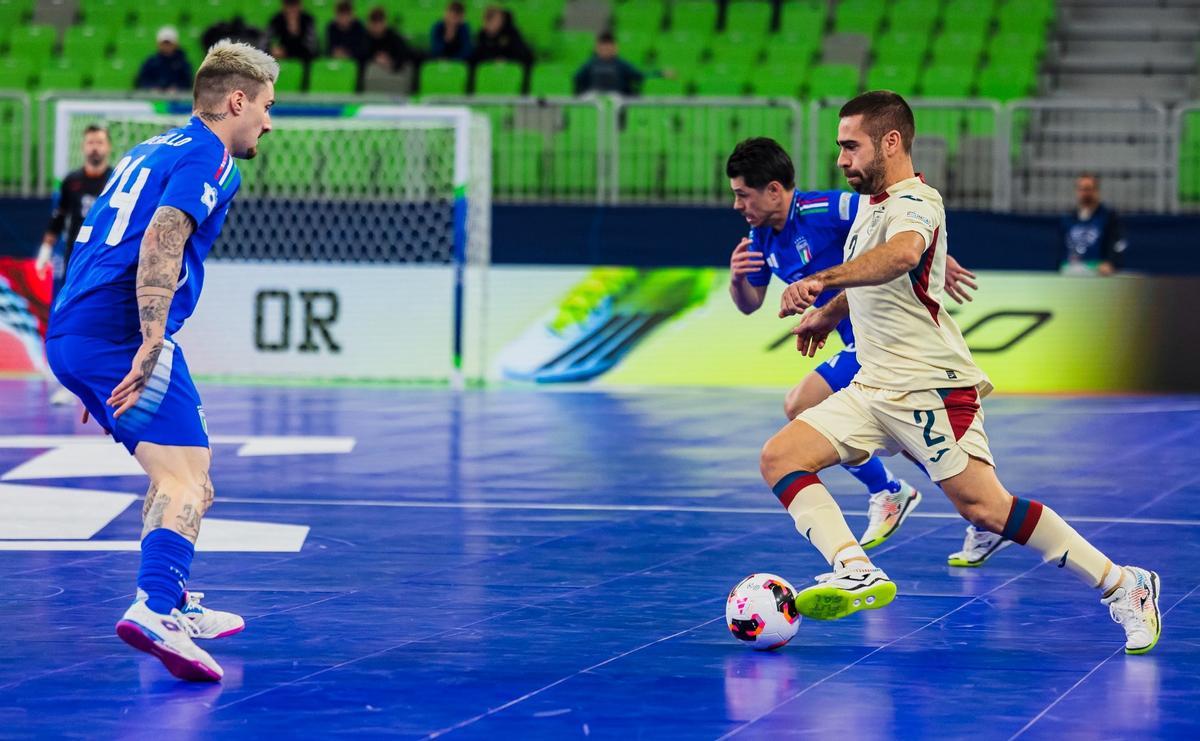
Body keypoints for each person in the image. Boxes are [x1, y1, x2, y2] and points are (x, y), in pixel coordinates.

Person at [763, 91, 1160, 655]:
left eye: (850, 146)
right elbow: (874, 286)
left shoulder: (917, 202)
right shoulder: (870, 208)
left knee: (985, 509)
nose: (842, 159)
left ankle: (1125, 584)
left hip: (929, 386)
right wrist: (827, 315)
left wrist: (823, 280)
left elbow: (901, 258)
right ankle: (856, 569)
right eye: (840, 148)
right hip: (873, 385)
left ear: (891, 142)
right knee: (780, 456)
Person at [46, 40, 278, 681]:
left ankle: (172, 596)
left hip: (76, 328)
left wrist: (86, 363)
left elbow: (96, 242)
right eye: (264, 106)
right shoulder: (213, 158)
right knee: (186, 481)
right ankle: (154, 608)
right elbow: (164, 234)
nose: (268, 120)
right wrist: (148, 341)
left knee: (192, 476)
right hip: (119, 333)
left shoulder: (149, 148)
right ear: (237, 100)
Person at [726, 137, 1009, 564]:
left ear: (774, 190)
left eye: (742, 194)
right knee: (919, 440)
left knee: (800, 404)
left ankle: (890, 491)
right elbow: (749, 304)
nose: (737, 205)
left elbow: (899, 224)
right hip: (862, 345)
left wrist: (937, 256)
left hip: (885, 338)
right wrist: (735, 280)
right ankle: (983, 516)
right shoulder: (759, 237)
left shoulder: (827, 209)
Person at [37, 125, 113, 406]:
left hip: (107, 263)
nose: (95, 147)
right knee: (70, 322)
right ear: (84, 147)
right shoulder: (72, 181)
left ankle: (108, 382)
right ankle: (70, 383)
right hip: (75, 265)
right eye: (90, 142)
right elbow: (57, 219)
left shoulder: (117, 178)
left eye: (99, 142)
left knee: (104, 322)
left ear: (108, 147)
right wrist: (45, 250)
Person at [1061, 173, 1126, 276]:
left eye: (1088, 189)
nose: (1085, 193)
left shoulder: (1108, 216)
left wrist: (1111, 262)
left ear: (1096, 191)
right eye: (1081, 189)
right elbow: (1062, 246)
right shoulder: (1069, 218)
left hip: (1099, 271)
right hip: (1073, 270)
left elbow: (1118, 243)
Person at [573, 32, 645, 95]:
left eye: (609, 47)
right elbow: (577, 78)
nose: (606, 49)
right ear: (597, 48)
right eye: (603, 47)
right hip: (593, 96)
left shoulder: (622, 64)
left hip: (618, 97)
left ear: (615, 48)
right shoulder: (590, 64)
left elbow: (638, 76)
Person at [363, 6, 421, 73]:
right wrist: (375, 58)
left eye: (380, 21)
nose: (377, 26)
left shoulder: (393, 36)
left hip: (397, 73)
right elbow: (361, 55)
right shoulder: (364, 37)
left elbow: (404, 54)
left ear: (385, 22)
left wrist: (390, 61)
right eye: (374, 22)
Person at [135, 26, 192, 92]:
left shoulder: (183, 63)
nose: (166, 46)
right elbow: (141, 81)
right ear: (158, 44)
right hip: (153, 100)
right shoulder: (150, 62)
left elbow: (188, 82)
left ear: (176, 44)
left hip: (177, 100)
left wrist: (177, 89)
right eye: (164, 43)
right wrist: (152, 88)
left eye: (169, 43)